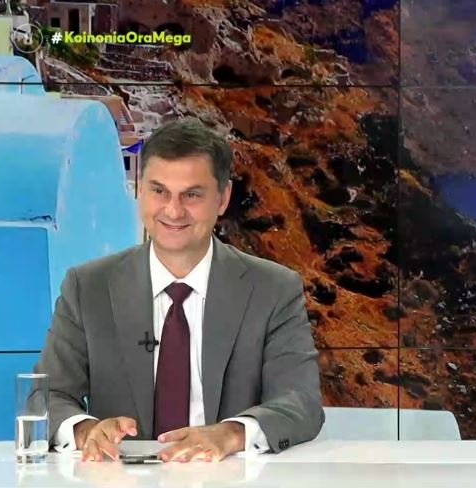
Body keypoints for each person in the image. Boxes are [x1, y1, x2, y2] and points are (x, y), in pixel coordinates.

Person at [35, 118, 323, 462]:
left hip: (227, 477)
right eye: (159, 191)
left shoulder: (273, 289)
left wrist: (231, 434)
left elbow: (300, 401)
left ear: (223, 198)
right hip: (119, 479)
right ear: (139, 191)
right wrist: (86, 432)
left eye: (192, 195)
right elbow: (46, 396)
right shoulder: (88, 287)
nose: (173, 211)